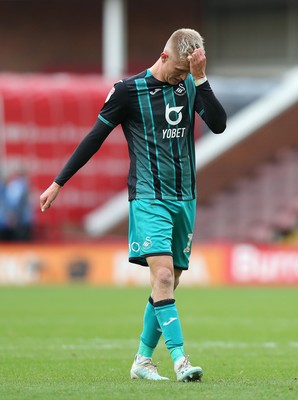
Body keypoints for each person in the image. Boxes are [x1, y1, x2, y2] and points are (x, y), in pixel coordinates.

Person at [40, 28, 227, 382]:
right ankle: (180, 360)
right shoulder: (128, 91)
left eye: (188, 73)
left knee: (167, 284)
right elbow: (94, 137)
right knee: (161, 275)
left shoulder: (190, 84)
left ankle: (142, 361)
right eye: (179, 72)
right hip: (148, 197)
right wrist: (59, 181)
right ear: (164, 56)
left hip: (185, 197)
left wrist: (200, 79)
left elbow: (218, 125)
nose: (181, 79)